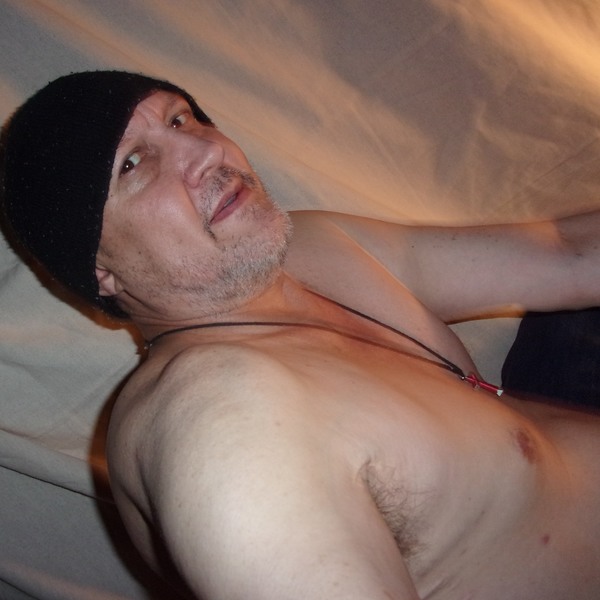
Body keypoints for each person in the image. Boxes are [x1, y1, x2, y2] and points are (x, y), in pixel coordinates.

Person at [3, 70, 600, 600]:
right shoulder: (218, 417)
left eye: (180, 118)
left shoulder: (312, 249)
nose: (205, 150)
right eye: (134, 163)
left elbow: (565, 253)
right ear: (100, 270)